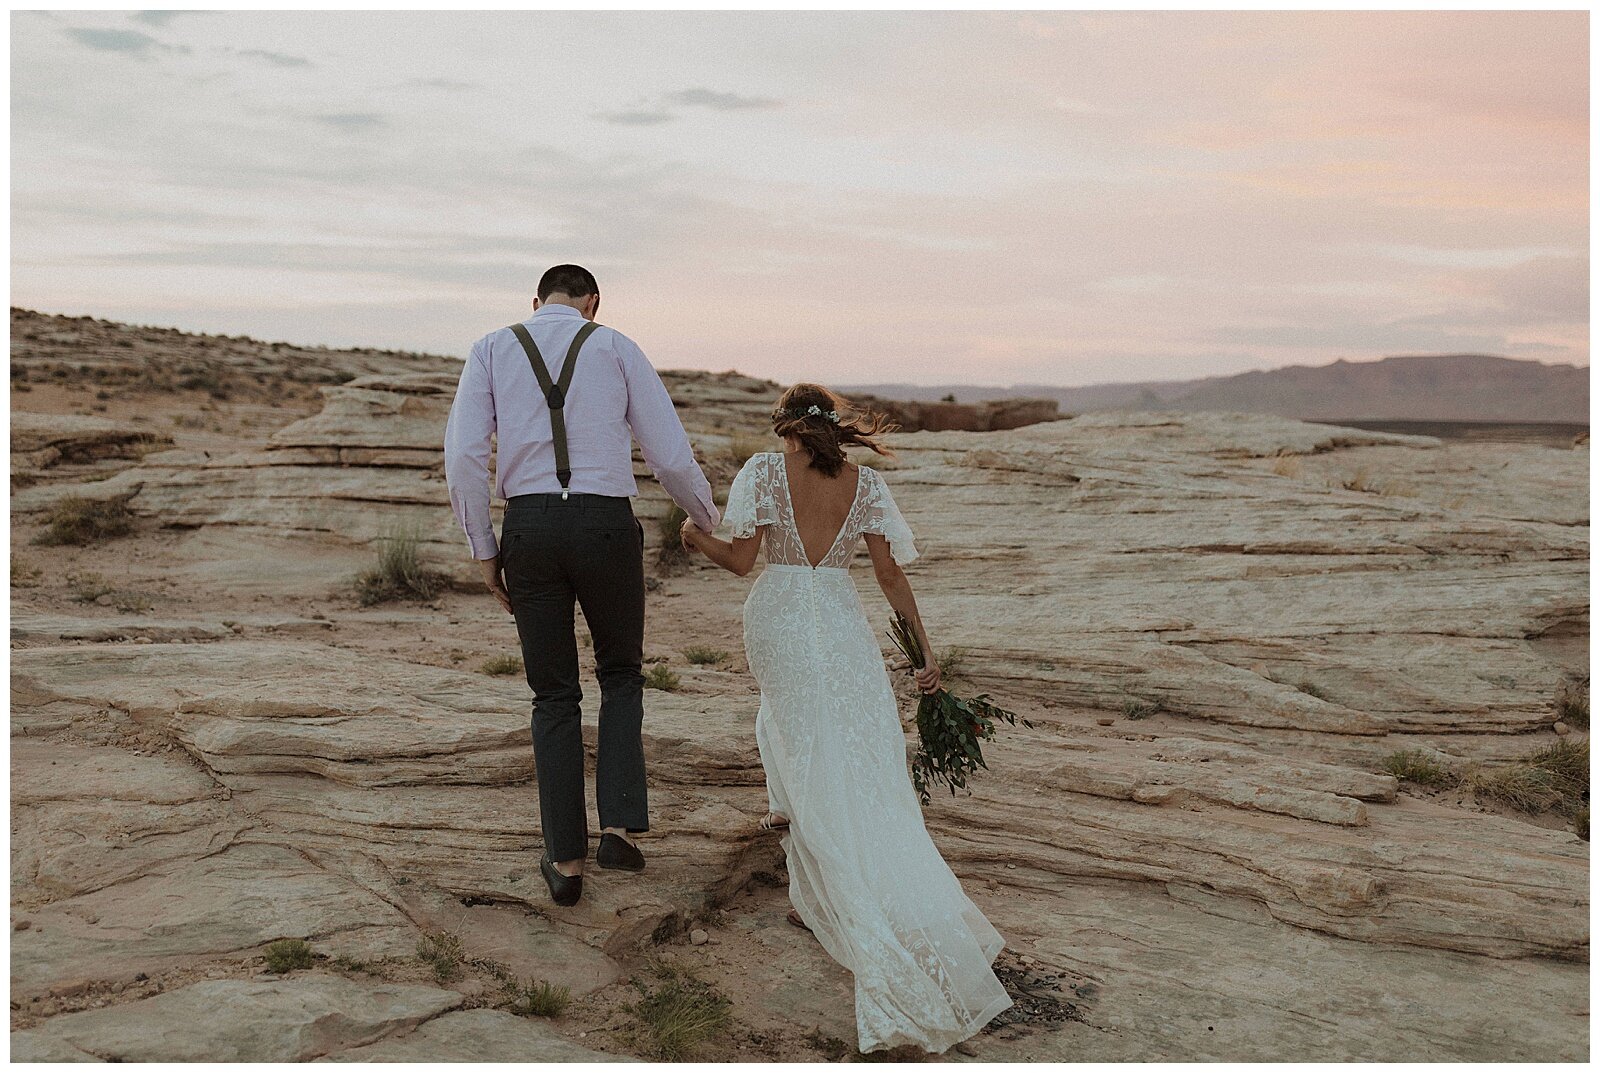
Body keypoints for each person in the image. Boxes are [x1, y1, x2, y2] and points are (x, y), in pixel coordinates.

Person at [678, 383, 1013, 1055]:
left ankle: (798, 824)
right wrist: (925, 652)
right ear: (828, 428)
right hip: (837, 619)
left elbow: (742, 559)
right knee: (850, 744)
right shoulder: (864, 485)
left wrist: (693, 536)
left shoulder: (765, 472)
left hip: (778, 614)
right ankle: (793, 812)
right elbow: (890, 578)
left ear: (787, 429)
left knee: (791, 716)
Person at [443, 264, 720, 907]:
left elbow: (463, 456)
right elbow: (668, 454)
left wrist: (483, 546)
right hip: (604, 524)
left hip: (530, 528)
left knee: (553, 694)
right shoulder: (618, 346)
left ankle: (565, 862)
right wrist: (707, 518)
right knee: (621, 674)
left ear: (536, 301)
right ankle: (618, 832)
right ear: (592, 303)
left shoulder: (490, 347)